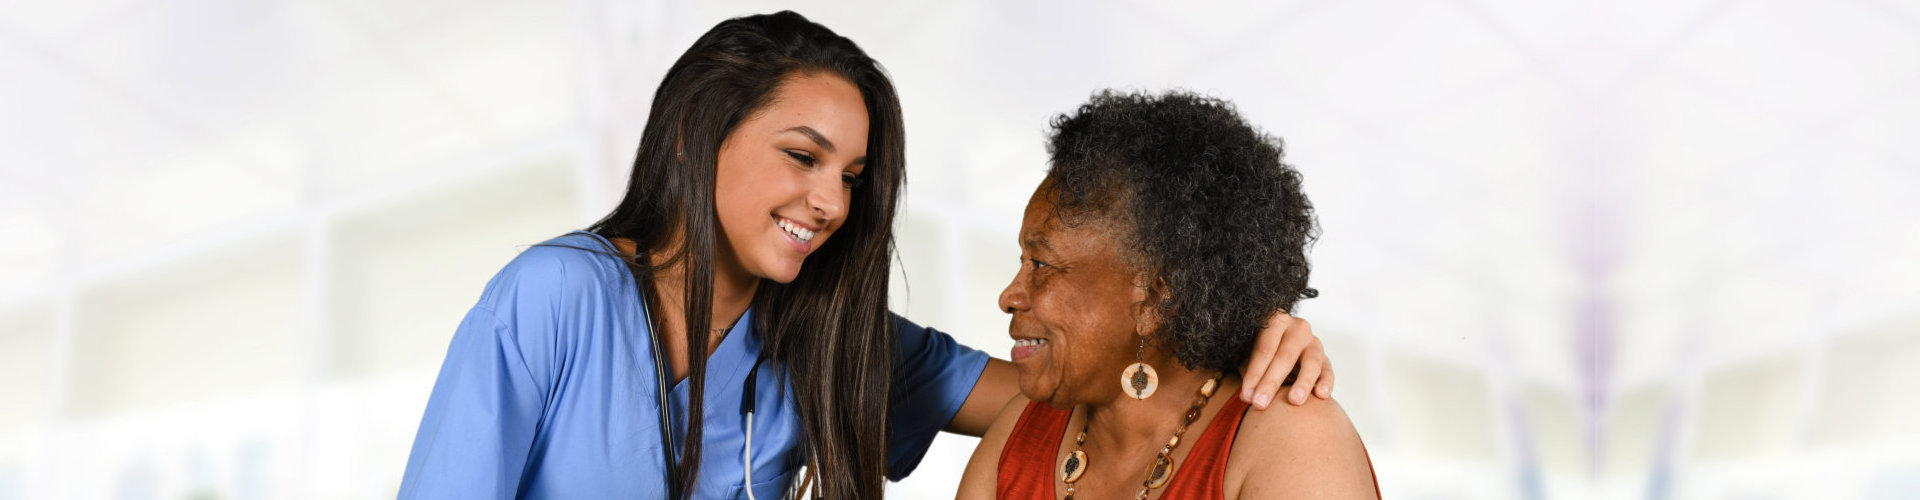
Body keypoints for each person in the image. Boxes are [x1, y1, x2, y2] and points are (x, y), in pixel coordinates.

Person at [397, 12, 1337, 500]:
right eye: (802, 158)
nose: (830, 202)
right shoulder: (556, 298)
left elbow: (1094, 384)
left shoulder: (832, 337)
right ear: (694, 137)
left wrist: (1238, 322)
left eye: (852, 175)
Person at [957, 90, 1379, 499]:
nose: (1009, 296)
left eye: (1042, 265)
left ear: (1155, 296)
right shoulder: (1018, 431)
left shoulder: (1294, 439)